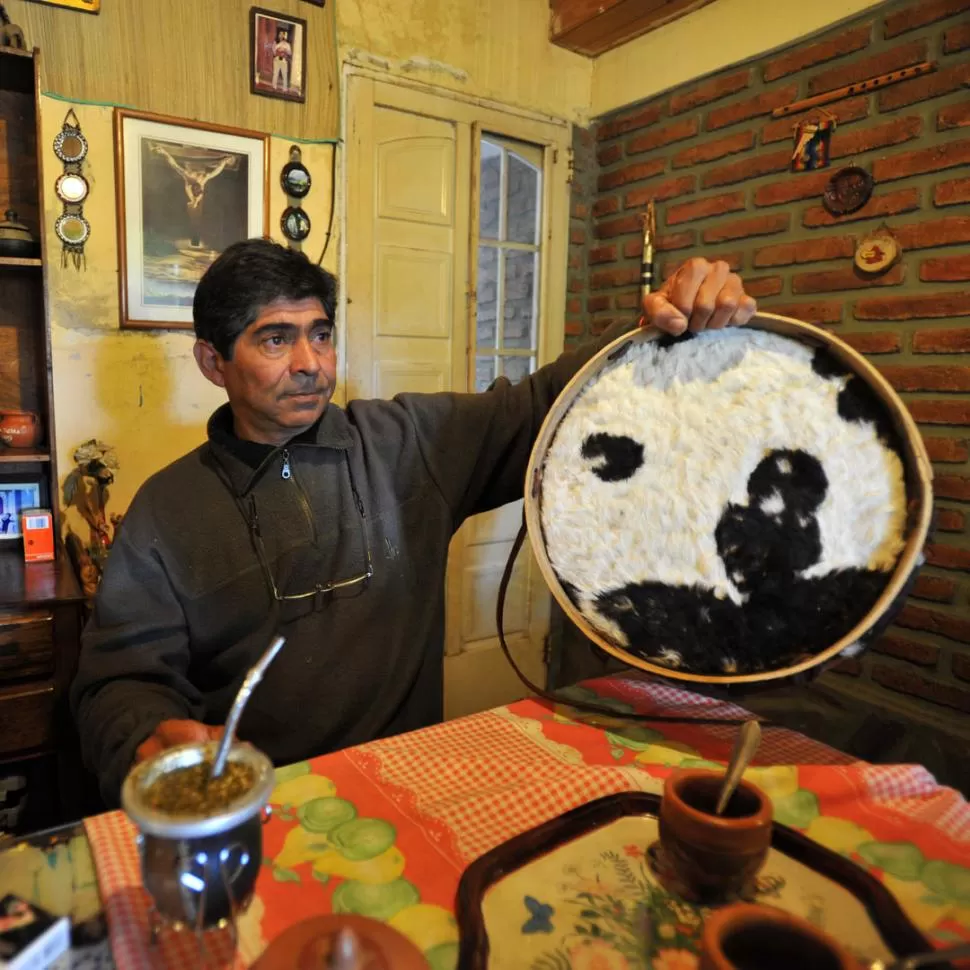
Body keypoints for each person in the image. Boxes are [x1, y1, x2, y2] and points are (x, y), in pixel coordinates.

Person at [70, 239, 756, 805]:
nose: (310, 365)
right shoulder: (166, 511)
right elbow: (118, 680)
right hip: (258, 805)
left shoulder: (408, 443)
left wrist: (661, 329)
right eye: (274, 340)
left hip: (412, 786)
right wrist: (145, 734)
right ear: (212, 362)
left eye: (320, 335)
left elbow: (547, 403)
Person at [272, 28, 291, 92]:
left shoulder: (287, 44)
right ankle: (274, 86)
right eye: (280, 34)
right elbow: (274, 51)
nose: (281, 35)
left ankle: (285, 88)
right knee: (275, 73)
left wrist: (285, 50)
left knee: (284, 74)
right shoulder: (275, 42)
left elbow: (290, 53)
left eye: (282, 34)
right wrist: (278, 49)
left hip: (284, 61)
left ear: (284, 35)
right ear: (278, 35)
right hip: (277, 60)